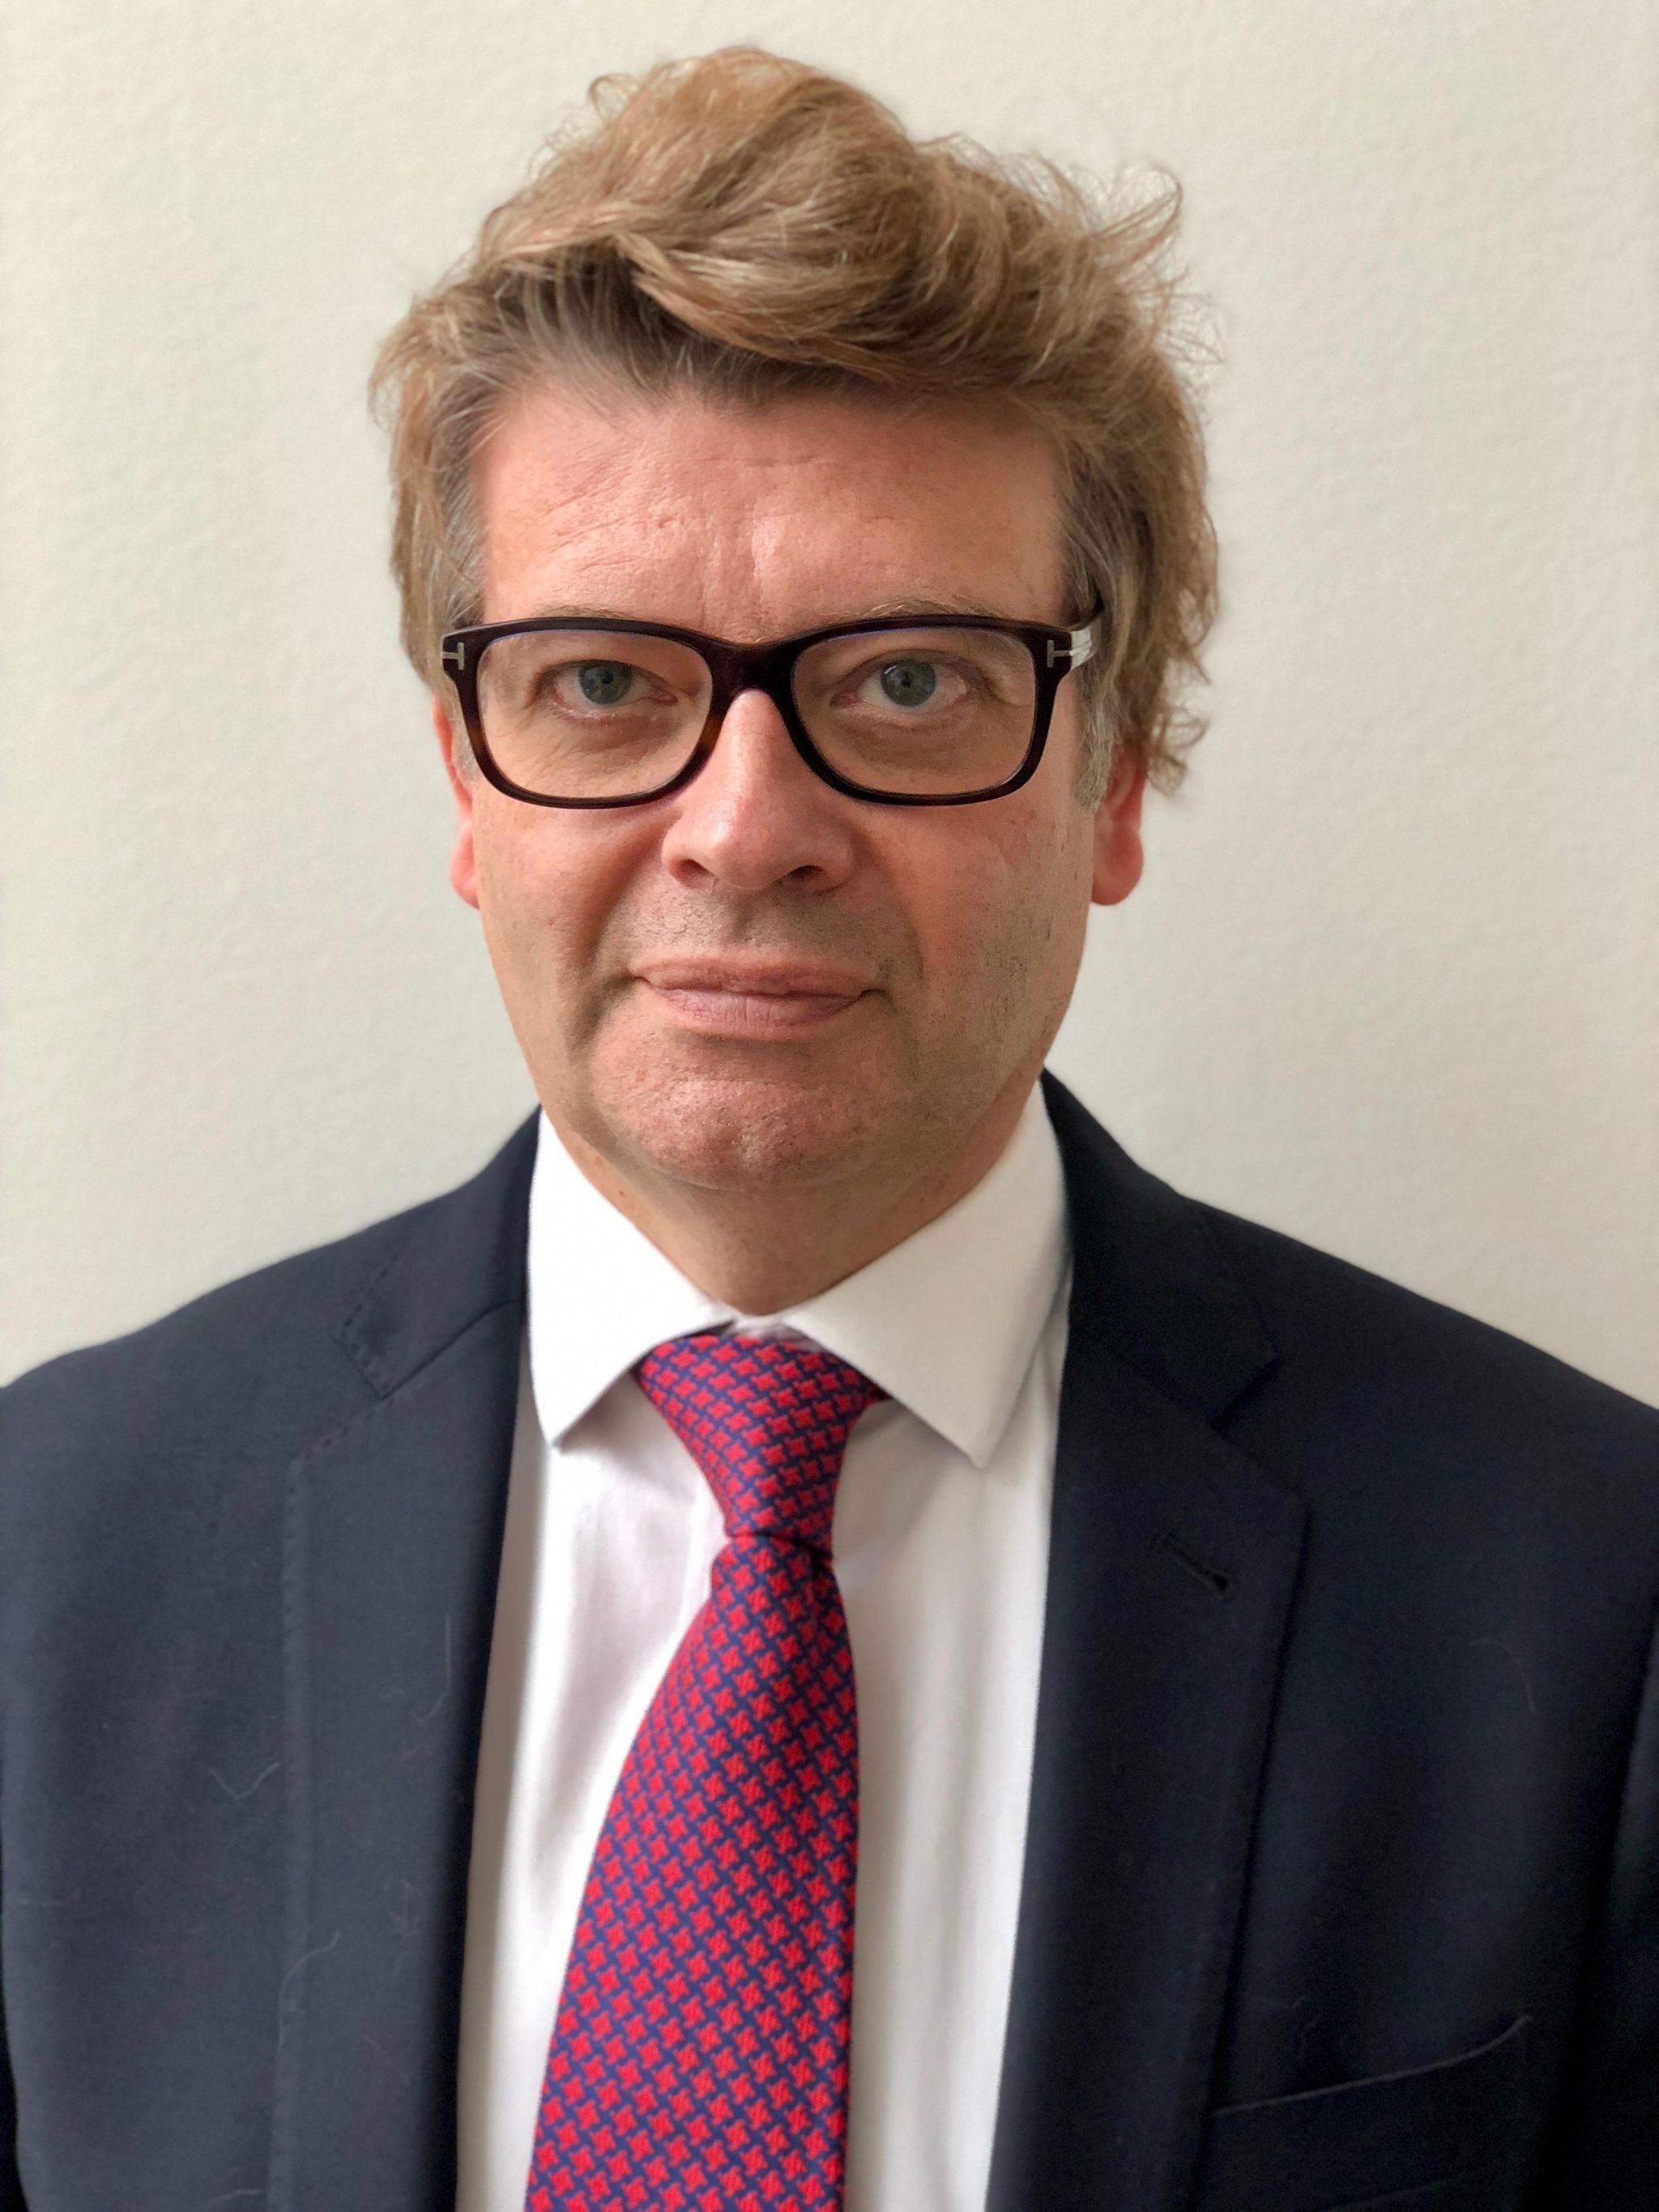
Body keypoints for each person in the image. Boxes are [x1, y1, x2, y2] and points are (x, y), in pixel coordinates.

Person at [1, 45, 1654, 2212]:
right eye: (605, 683)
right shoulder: (51, 1555)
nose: (745, 827)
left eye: (908, 681)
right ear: (466, 780)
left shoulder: (1585, 1599)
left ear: (1113, 775)